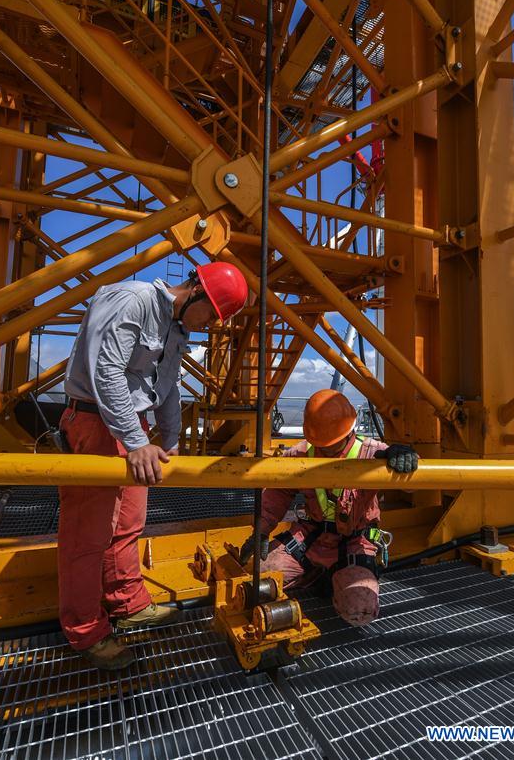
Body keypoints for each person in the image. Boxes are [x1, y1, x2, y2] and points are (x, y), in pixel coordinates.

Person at [59, 262, 248, 670]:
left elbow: (168, 386)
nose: (207, 325)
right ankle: (87, 631)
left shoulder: (175, 329)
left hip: (133, 431)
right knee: (87, 535)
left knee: (128, 522)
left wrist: (171, 438)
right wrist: (137, 441)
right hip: (95, 422)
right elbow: (105, 373)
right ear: (195, 290)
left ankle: (127, 603)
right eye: (210, 314)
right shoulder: (132, 300)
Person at [239, 389, 418, 627]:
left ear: (349, 431)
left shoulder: (372, 453)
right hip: (311, 537)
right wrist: (261, 529)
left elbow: (411, 488)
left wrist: (403, 461)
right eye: (320, 443)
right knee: (256, 575)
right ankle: (319, 574)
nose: (326, 448)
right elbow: (279, 490)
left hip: (354, 542)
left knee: (359, 609)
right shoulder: (303, 454)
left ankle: (338, 575)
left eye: (331, 443)